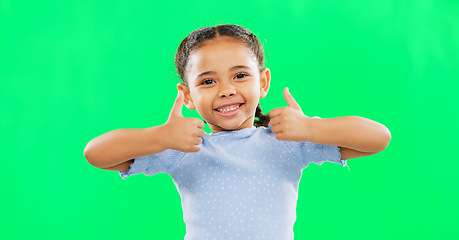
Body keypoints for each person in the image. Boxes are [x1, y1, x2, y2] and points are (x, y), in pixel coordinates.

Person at [84, 24, 391, 240]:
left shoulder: (288, 142)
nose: (227, 90)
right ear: (187, 95)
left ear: (263, 82)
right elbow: (96, 153)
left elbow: (378, 137)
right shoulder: (184, 148)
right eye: (207, 81)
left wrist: (312, 127)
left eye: (240, 75)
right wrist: (161, 137)